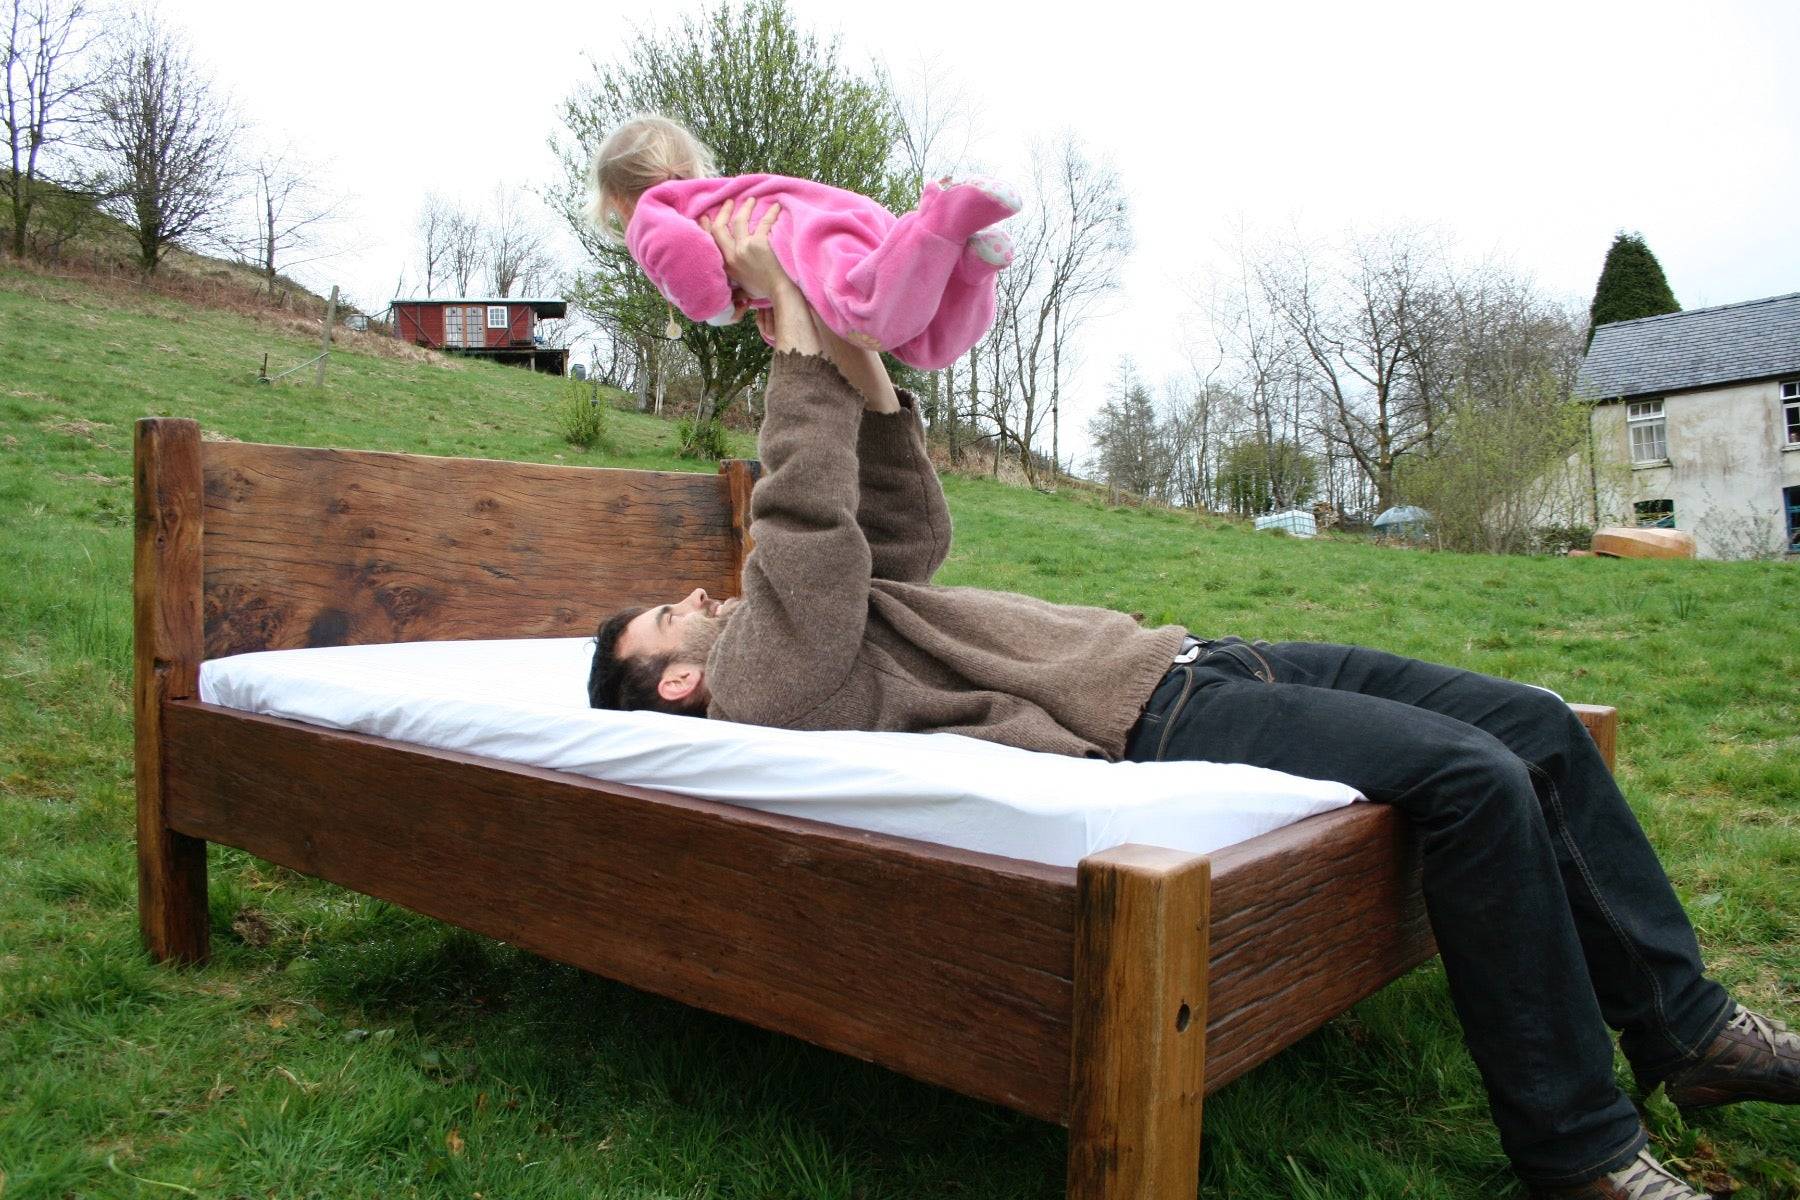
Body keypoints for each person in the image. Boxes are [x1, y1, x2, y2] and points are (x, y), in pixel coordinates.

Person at [586, 202, 1798, 1200]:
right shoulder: (765, 684)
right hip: (1149, 718)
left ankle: (1689, 1036)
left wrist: (850, 342)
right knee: (1474, 781)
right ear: (677, 679)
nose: (696, 591)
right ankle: (1579, 1154)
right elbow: (799, 520)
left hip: (1201, 656)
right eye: (670, 614)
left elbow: (902, 526)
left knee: (1530, 721)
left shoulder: (829, 620)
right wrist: (790, 342)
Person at [589, 113, 1019, 370]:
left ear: (617, 202)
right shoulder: (716, 200)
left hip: (817, 237)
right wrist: (782, 305)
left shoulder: (652, 212)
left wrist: (716, 310)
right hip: (846, 231)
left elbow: (686, 259)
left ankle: (941, 219)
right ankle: (970, 271)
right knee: (925, 347)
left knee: (868, 320)